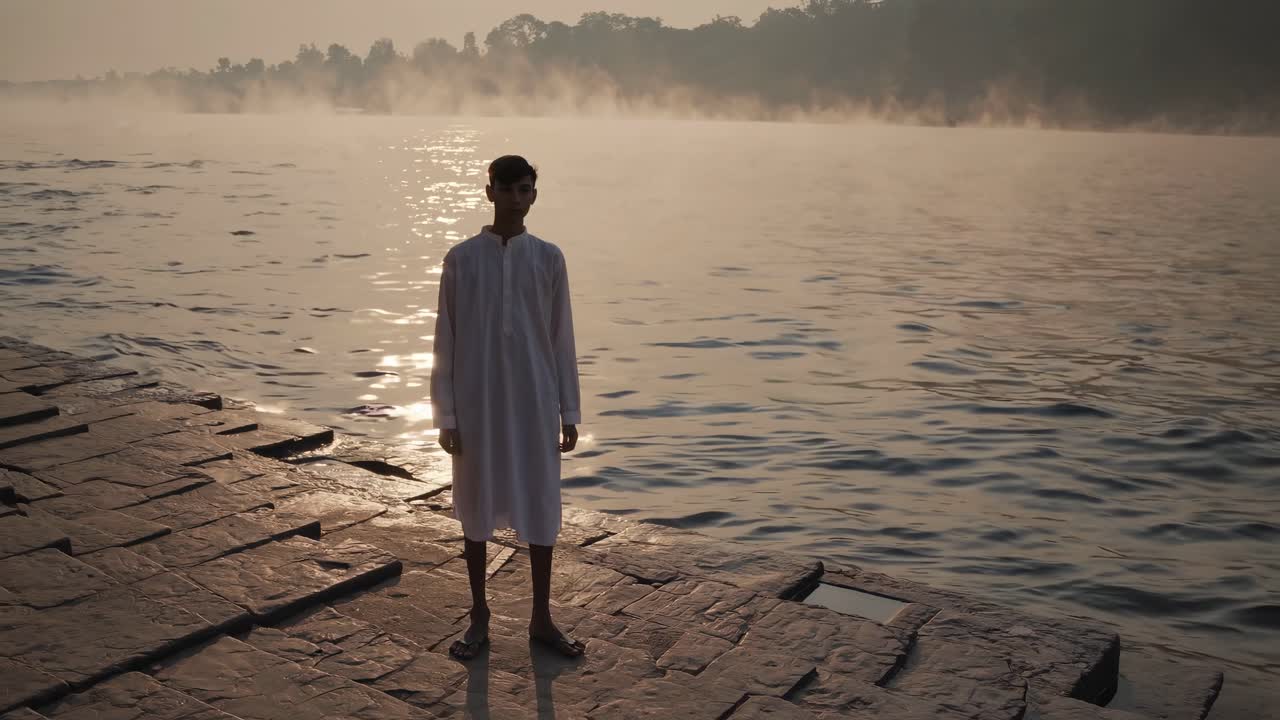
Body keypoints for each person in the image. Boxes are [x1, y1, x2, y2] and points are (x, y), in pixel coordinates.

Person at [430, 155, 585, 660]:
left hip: (534, 401)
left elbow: (561, 338)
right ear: (489, 191)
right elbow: (444, 342)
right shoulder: (462, 259)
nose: (517, 199)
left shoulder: (549, 258)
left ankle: (541, 618)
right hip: (477, 404)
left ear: (533, 196)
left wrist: (568, 410)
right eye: (508, 189)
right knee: (474, 506)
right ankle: (479, 616)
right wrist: (445, 415)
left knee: (540, 505)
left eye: (526, 190)